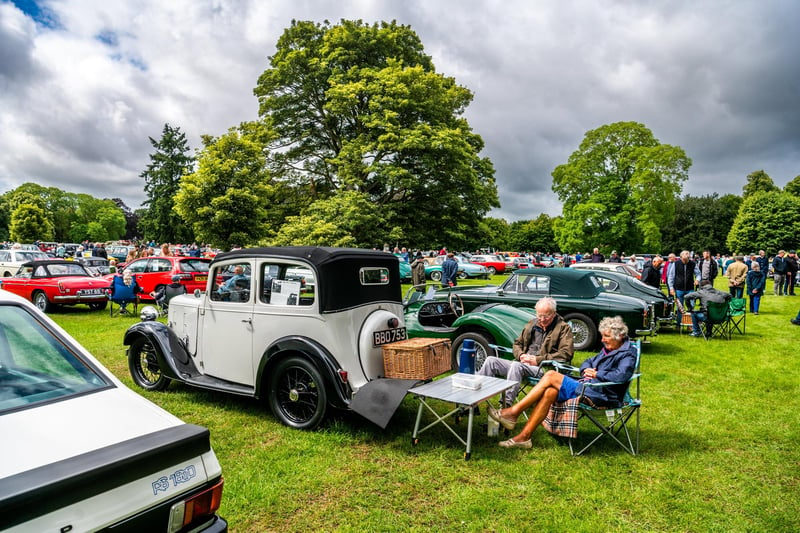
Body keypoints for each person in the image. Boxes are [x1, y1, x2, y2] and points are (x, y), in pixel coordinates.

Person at [488, 316, 636, 449]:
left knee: (551, 375)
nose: (602, 339)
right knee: (550, 391)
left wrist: (598, 374)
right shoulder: (609, 349)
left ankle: (513, 412)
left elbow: (622, 376)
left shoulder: (627, 354)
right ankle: (524, 437)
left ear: (620, 336)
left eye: (606, 336)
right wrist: (587, 370)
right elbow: (588, 361)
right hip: (588, 386)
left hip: (602, 394)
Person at [477, 297, 574, 406]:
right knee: (491, 361)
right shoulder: (532, 323)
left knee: (516, 366)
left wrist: (537, 360)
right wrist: (521, 355)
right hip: (523, 364)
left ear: (554, 313)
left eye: (546, 316)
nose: (542, 319)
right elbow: (517, 344)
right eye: (539, 315)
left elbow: (566, 353)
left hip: (544, 369)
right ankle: (473, 400)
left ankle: (505, 406)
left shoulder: (563, 328)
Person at [668, 251, 699, 323]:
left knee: (691, 306)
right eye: (683, 260)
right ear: (680, 258)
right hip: (679, 289)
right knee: (679, 307)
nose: (685, 261)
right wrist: (671, 288)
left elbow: (698, 274)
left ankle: (691, 324)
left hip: (690, 289)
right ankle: (679, 323)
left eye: (686, 260)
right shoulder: (675, 264)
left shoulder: (693, 264)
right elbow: (671, 277)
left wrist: (697, 280)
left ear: (689, 258)